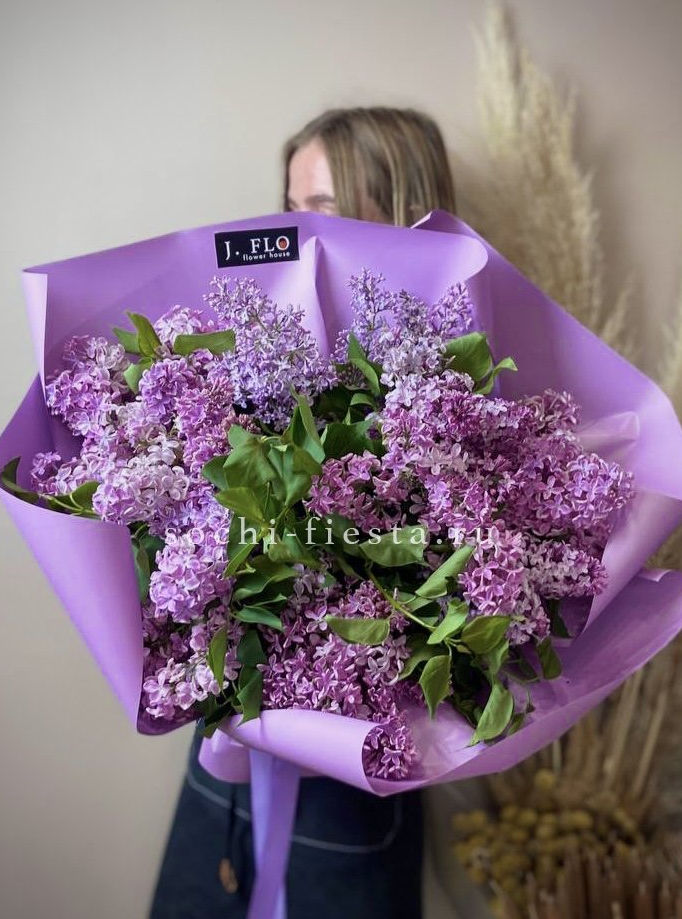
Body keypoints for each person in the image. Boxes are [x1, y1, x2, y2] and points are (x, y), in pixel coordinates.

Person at [148, 106, 458, 919]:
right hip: (231, 748)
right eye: (289, 207)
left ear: (400, 213)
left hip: (351, 772)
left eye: (322, 208)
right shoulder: (263, 353)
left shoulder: (445, 396)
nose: (293, 232)